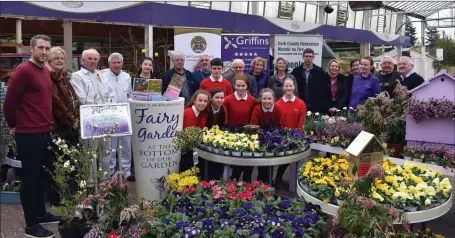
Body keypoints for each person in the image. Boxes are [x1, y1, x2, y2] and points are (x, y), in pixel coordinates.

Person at [4, 34, 60, 238]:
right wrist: (13, 125)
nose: (44, 52)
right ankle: (31, 226)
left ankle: (41, 214)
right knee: (30, 179)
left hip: (45, 131)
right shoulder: (23, 71)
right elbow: (9, 103)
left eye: (47, 48)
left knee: (44, 176)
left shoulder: (45, 70)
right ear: (32, 50)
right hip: (28, 134)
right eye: (41, 48)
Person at [101, 53, 133, 179]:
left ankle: (126, 171)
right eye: (114, 62)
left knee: (126, 143)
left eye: (118, 62)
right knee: (111, 144)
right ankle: (110, 171)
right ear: (109, 64)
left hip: (124, 114)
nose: (116, 65)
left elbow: (129, 94)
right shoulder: (102, 76)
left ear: (122, 63)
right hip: (109, 115)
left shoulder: (126, 76)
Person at [274, 78, 306, 188]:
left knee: (296, 160)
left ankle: (296, 181)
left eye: (290, 86)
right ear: (283, 88)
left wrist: (296, 134)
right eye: (286, 86)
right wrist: (284, 135)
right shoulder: (277, 104)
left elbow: (302, 121)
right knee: (284, 159)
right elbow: (278, 122)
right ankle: (278, 176)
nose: (288, 88)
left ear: (294, 87)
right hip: (282, 136)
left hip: (296, 136)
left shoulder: (301, 103)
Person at [225, 75, 256, 182]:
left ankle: (247, 183)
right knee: (236, 161)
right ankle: (233, 183)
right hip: (233, 134)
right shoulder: (228, 100)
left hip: (247, 133)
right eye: (238, 85)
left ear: (247, 86)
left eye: (243, 85)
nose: (241, 88)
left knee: (249, 161)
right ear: (234, 85)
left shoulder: (252, 100)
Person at [47, 47, 80, 145]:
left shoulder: (63, 77)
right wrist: (71, 120)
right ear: (49, 60)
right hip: (58, 127)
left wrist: (76, 116)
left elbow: (73, 98)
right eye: (56, 58)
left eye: (62, 58)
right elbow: (56, 104)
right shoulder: (49, 79)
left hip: (70, 126)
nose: (60, 61)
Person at [250, 88, 281, 184]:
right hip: (259, 136)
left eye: (269, 99)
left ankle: (268, 181)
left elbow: (279, 125)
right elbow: (253, 126)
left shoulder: (277, 109)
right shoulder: (257, 109)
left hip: (273, 137)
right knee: (261, 161)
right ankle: (260, 181)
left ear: (273, 99)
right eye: (264, 99)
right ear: (261, 99)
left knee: (270, 161)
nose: (267, 101)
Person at [291, 48, 331, 114]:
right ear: (303, 57)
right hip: (300, 103)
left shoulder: (320, 72)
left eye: (310, 56)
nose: (308, 58)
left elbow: (325, 89)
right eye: (306, 56)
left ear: (313, 57)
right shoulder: (296, 72)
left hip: (316, 105)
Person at [180, 90, 210, 172]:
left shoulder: (202, 113)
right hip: (185, 150)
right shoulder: (188, 112)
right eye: (200, 100)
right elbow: (189, 136)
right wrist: (202, 131)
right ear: (194, 100)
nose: (203, 103)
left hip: (192, 147)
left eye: (205, 101)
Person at [205, 87, 228, 180]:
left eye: (222, 98)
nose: (220, 100)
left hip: (218, 137)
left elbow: (224, 124)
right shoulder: (206, 109)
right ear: (211, 98)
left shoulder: (223, 109)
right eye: (217, 97)